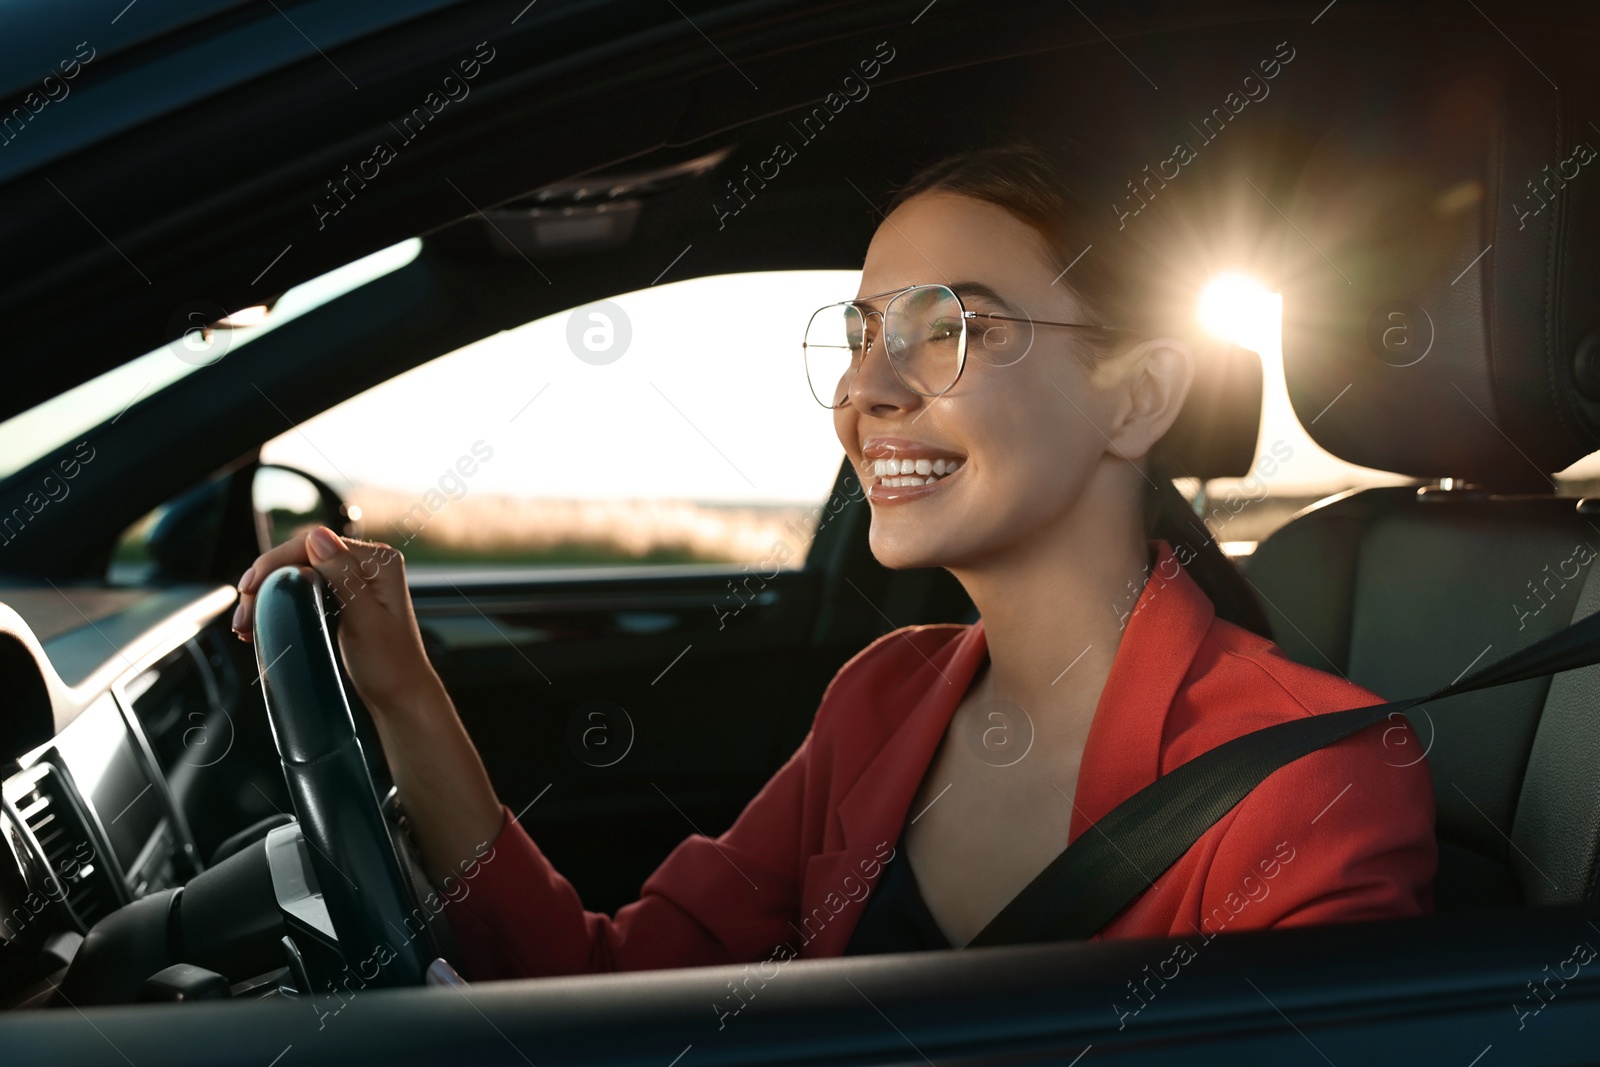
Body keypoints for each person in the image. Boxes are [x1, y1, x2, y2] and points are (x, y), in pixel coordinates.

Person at [231, 143, 1436, 980]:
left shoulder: (1312, 781)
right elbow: (598, 980)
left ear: (1137, 397)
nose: (867, 389)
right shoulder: (882, 699)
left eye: (952, 329)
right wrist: (400, 688)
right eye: (860, 335)